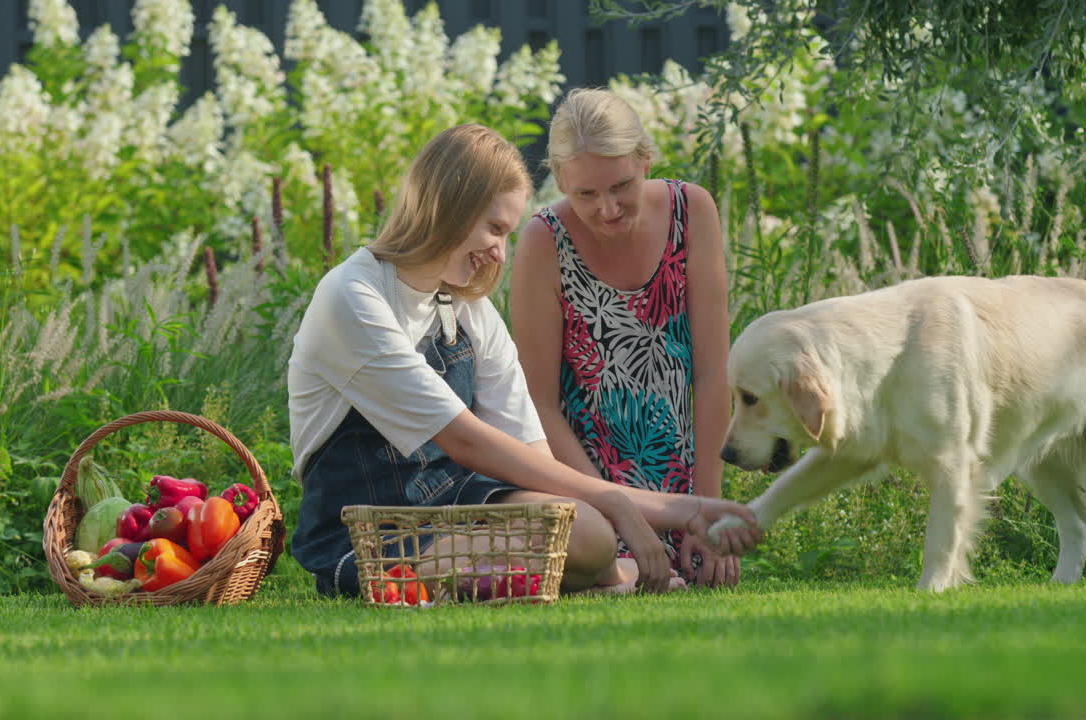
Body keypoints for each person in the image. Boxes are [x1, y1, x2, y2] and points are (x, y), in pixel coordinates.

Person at [288, 123, 758, 597]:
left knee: (587, 531)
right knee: (547, 545)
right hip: (373, 527)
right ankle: (575, 579)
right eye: (494, 228)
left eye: (508, 234)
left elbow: (532, 455)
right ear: (448, 206)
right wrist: (639, 505)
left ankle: (558, 577)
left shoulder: (468, 309)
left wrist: (656, 509)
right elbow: (465, 441)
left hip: (463, 509)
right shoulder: (353, 297)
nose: (499, 253)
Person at [509, 89, 739, 588]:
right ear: (560, 179)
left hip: (684, 494)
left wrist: (707, 514)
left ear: (645, 158)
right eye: (585, 194)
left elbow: (713, 373)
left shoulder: (691, 211)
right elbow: (538, 406)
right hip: (589, 500)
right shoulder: (543, 241)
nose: (608, 208)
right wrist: (616, 514)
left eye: (621, 186)